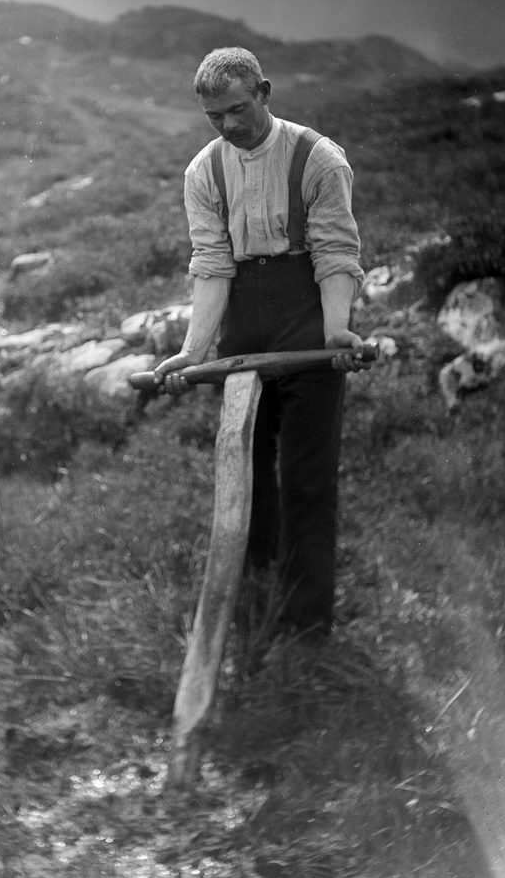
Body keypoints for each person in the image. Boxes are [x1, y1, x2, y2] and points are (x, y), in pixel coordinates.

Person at [154, 47, 367, 639]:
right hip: (244, 322)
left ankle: (306, 624)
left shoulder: (319, 159)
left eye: (238, 109)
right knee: (242, 471)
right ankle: (253, 604)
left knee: (307, 477)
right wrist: (195, 351)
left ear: (265, 92)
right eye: (214, 115)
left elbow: (334, 252)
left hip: (307, 315)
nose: (228, 125)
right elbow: (213, 264)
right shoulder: (204, 172)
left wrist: (335, 331)